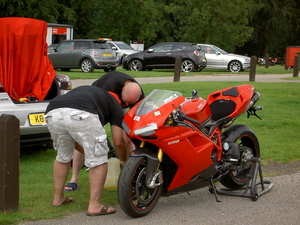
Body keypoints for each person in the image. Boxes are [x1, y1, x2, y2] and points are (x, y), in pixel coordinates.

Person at [46, 86, 127, 215]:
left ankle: (58, 198)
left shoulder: (91, 92)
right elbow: (118, 141)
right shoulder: (115, 104)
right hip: (81, 113)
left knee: (63, 155)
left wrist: (88, 152)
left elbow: (77, 143)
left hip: (53, 111)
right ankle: (95, 206)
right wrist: (124, 160)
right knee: (99, 159)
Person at [64, 71, 144, 191]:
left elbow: (134, 121)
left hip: (113, 103)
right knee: (84, 139)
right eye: (125, 102)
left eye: (129, 104)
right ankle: (74, 179)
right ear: (122, 90)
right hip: (95, 107)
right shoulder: (109, 88)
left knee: (128, 137)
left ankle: (132, 174)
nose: (126, 105)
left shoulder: (137, 93)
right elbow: (117, 139)